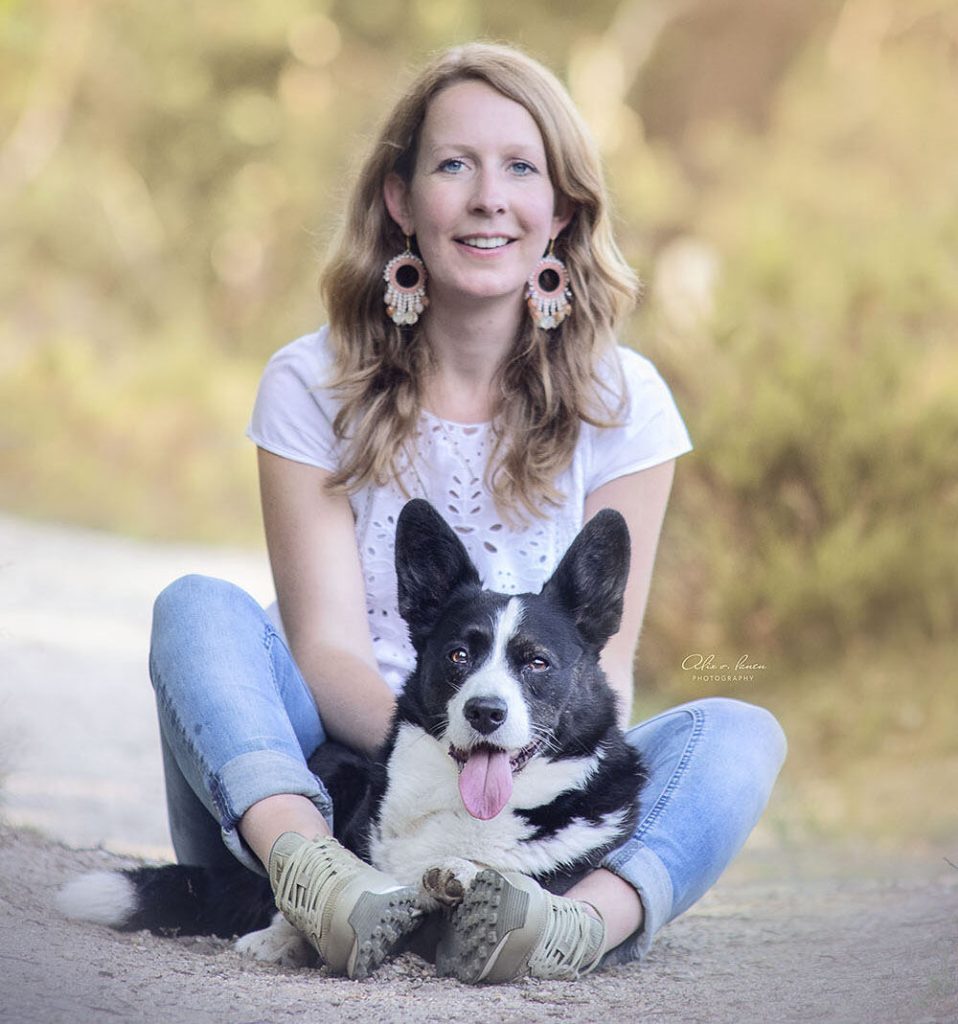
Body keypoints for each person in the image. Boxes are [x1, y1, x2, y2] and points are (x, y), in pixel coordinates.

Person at [149, 42, 786, 983]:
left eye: (521, 167)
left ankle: (570, 926)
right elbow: (327, 651)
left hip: (530, 811)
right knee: (198, 607)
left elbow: (603, 668)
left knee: (741, 734)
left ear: (561, 209)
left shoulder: (626, 402)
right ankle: (319, 885)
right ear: (402, 201)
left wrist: (499, 770)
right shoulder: (309, 382)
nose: (489, 197)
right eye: (454, 164)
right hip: (339, 782)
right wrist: (449, 758)